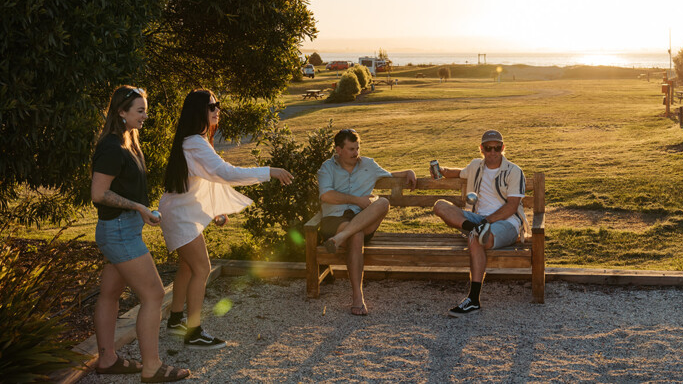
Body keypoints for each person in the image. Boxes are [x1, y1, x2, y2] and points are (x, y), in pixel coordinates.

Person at [159, 89, 293, 349]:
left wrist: (216, 210)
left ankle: (176, 321)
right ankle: (194, 331)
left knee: (188, 267)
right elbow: (226, 173)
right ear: (199, 111)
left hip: (177, 213)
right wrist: (270, 171)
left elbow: (207, 179)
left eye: (216, 105)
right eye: (212, 106)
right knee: (202, 269)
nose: (217, 110)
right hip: (180, 217)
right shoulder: (195, 142)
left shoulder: (192, 140)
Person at [91, 86, 189, 382]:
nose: (146, 115)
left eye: (145, 109)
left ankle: (107, 360)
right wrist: (137, 206)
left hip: (122, 228)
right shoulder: (111, 146)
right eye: (140, 110)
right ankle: (152, 367)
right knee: (154, 294)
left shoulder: (127, 142)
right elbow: (98, 193)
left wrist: (143, 210)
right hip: (119, 231)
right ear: (121, 112)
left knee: (109, 293)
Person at [317, 128, 416, 315]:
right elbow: (326, 195)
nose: (356, 153)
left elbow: (390, 175)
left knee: (383, 202)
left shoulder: (368, 165)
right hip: (335, 219)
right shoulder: (327, 168)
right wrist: (357, 200)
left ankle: (340, 239)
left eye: (357, 148)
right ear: (338, 150)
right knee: (356, 235)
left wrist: (408, 171)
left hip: (359, 219)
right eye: (351, 149)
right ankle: (357, 297)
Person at [431, 129, 529, 317]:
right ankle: (472, 228)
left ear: (503, 148)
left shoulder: (514, 171)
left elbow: (512, 207)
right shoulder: (476, 165)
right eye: (488, 148)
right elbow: (459, 172)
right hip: (478, 220)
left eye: (497, 148)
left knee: (476, 238)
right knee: (440, 205)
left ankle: (473, 300)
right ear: (481, 149)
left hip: (506, 223)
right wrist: (442, 171)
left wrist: (486, 222)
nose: (493, 152)